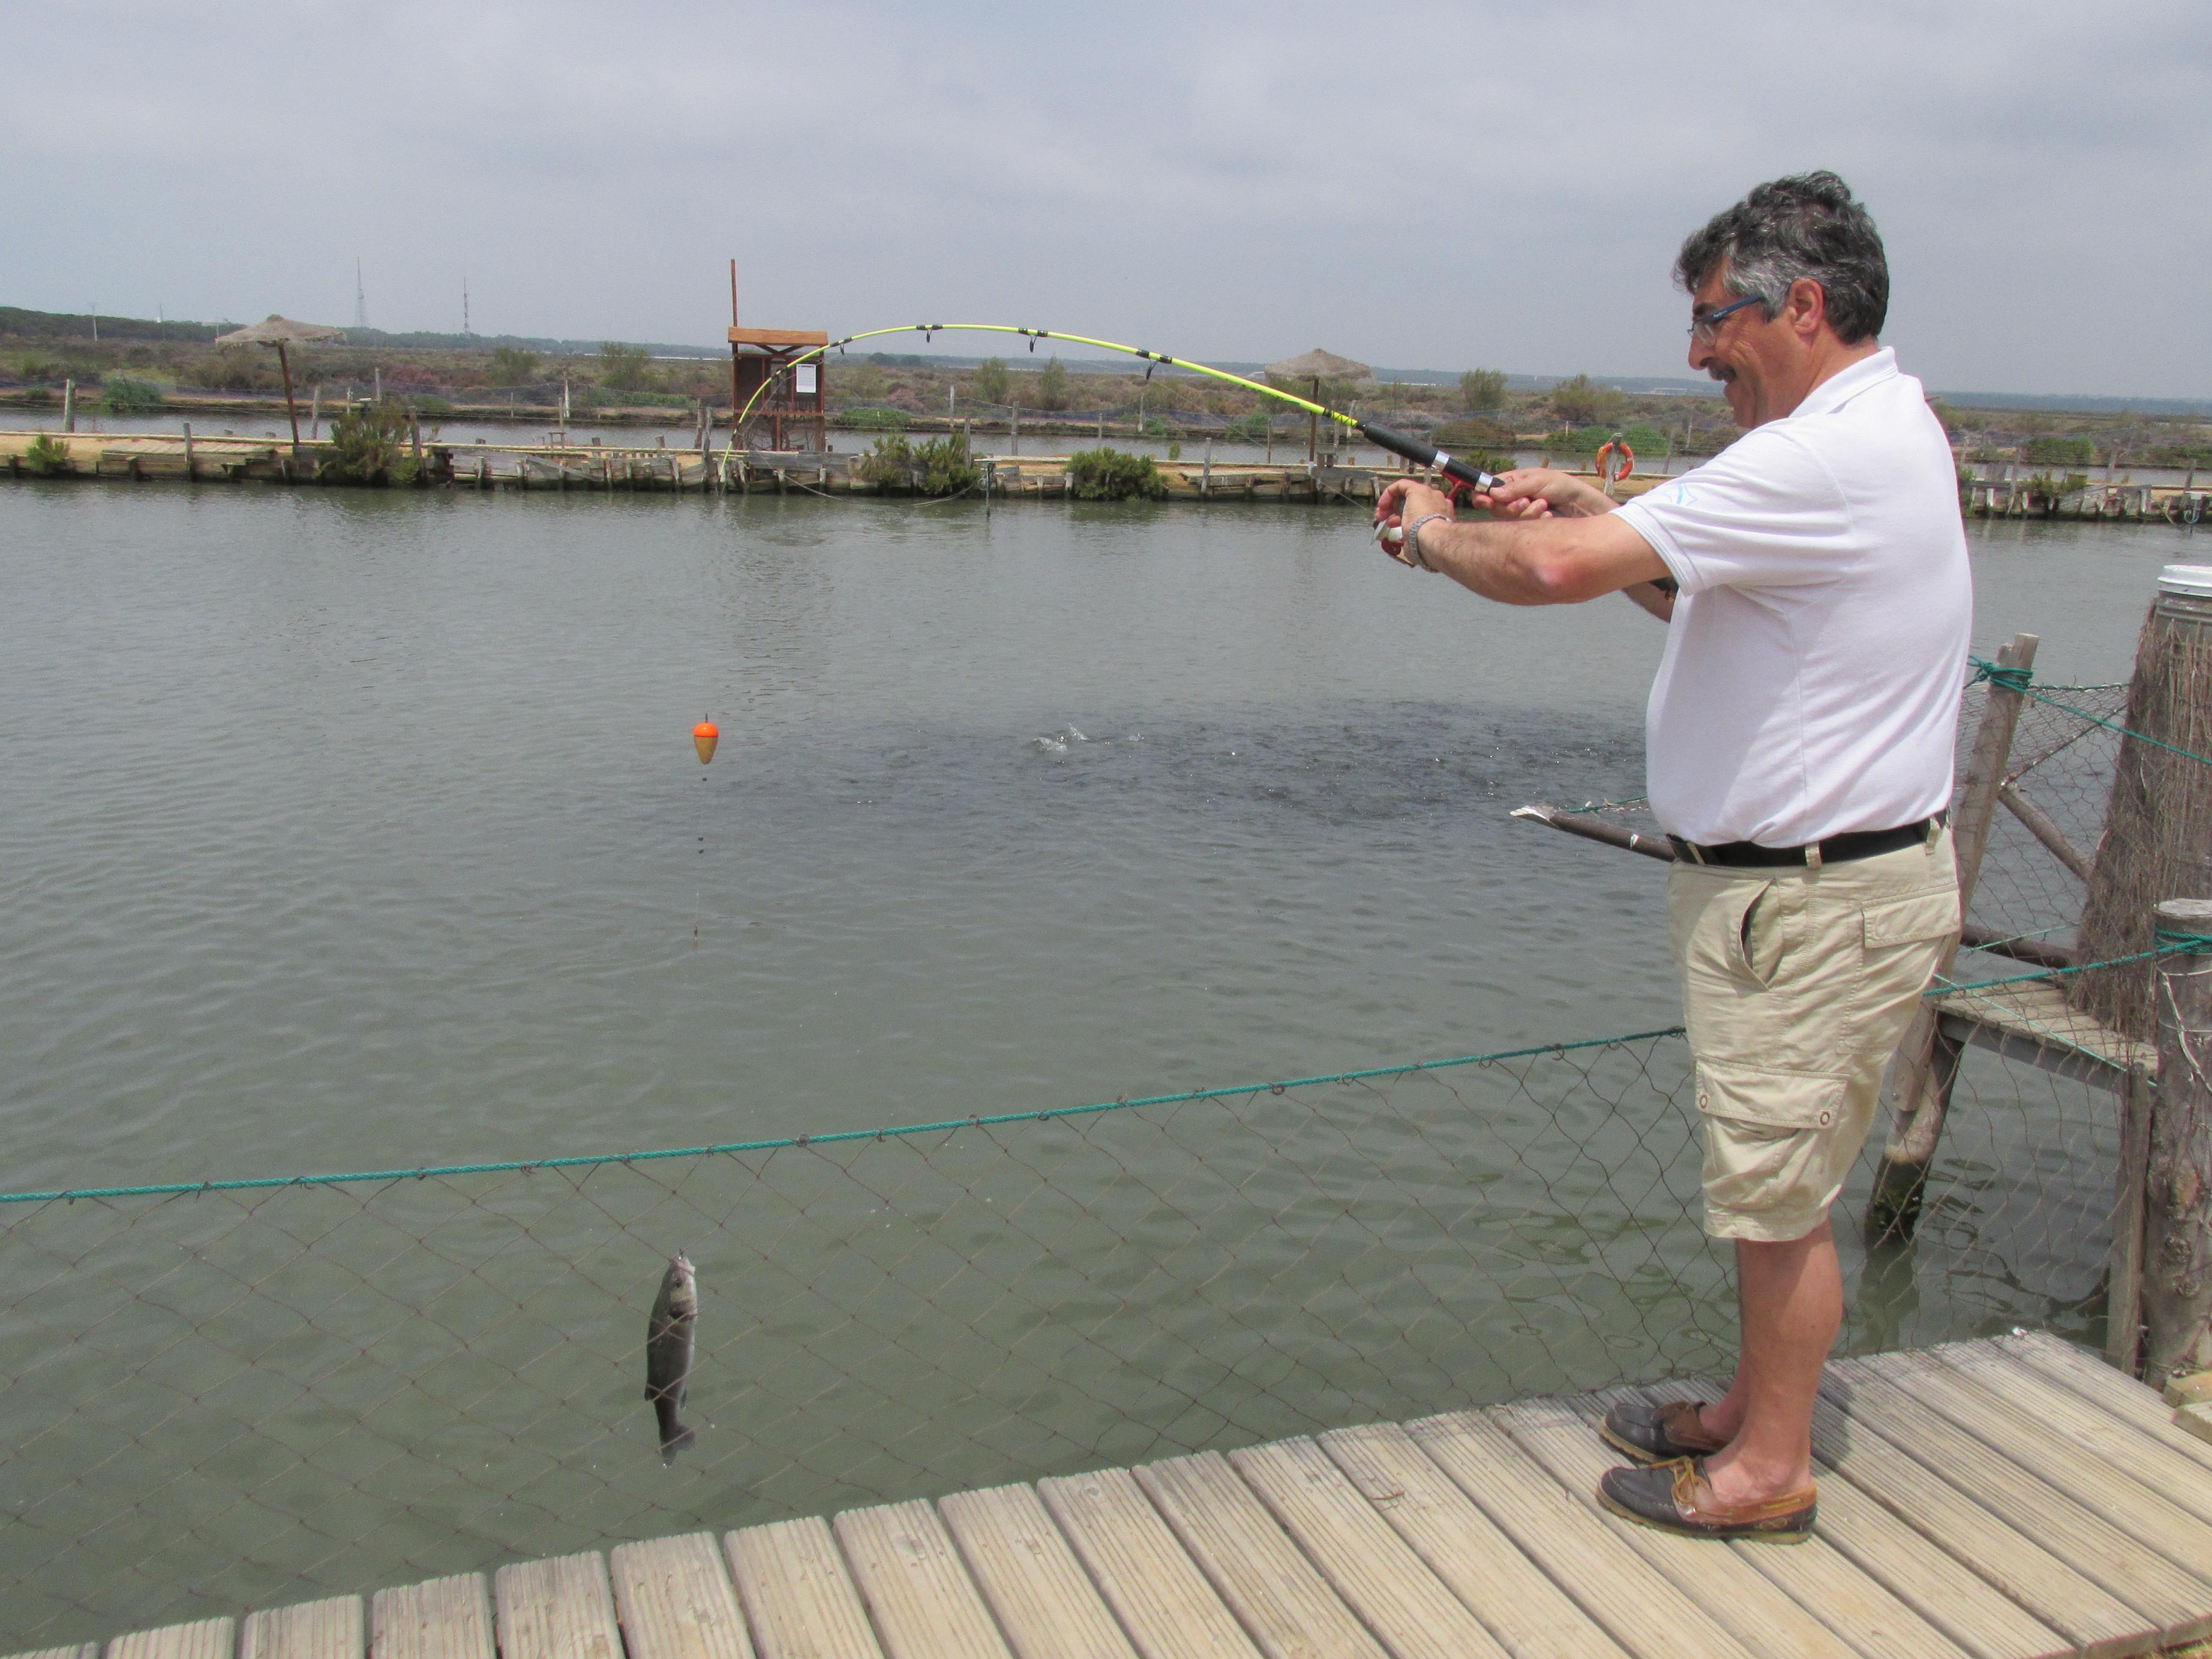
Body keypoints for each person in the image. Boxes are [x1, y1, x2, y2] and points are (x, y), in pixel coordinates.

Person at [1376, 172, 1969, 1543]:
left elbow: (1547, 577)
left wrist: (1426, 531)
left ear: (1801, 305)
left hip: (1810, 900)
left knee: (1777, 1199)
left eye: (1714, 320)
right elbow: (1682, 579)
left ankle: (1766, 1469)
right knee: (1772, 1184)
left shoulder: (1817, 454)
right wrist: (1589, 504)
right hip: (1811, 892)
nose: (1696, 353)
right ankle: (1747, 1411)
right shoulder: (1878, 428)